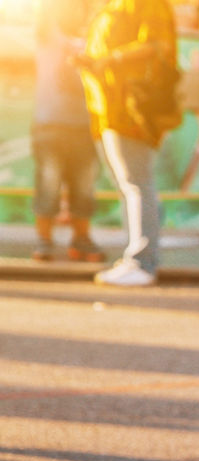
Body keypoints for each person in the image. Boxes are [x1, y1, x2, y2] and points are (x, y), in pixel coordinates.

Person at [75, 0, 181, 287]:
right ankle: (135, 257)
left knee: (137, 183)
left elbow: (159, 46)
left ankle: (142, 261)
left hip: (132, 108)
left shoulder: (147, 4)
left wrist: (110, 59)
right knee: (129, 185)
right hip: (108, 106)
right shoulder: (114, 5)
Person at [32, 0, 104, 264]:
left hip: (85, 125)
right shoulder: (47, 31)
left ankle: (81, 239)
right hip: (49, 123)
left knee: (84, 186)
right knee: (48, 183)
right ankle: (44, 240)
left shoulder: (96, 35)